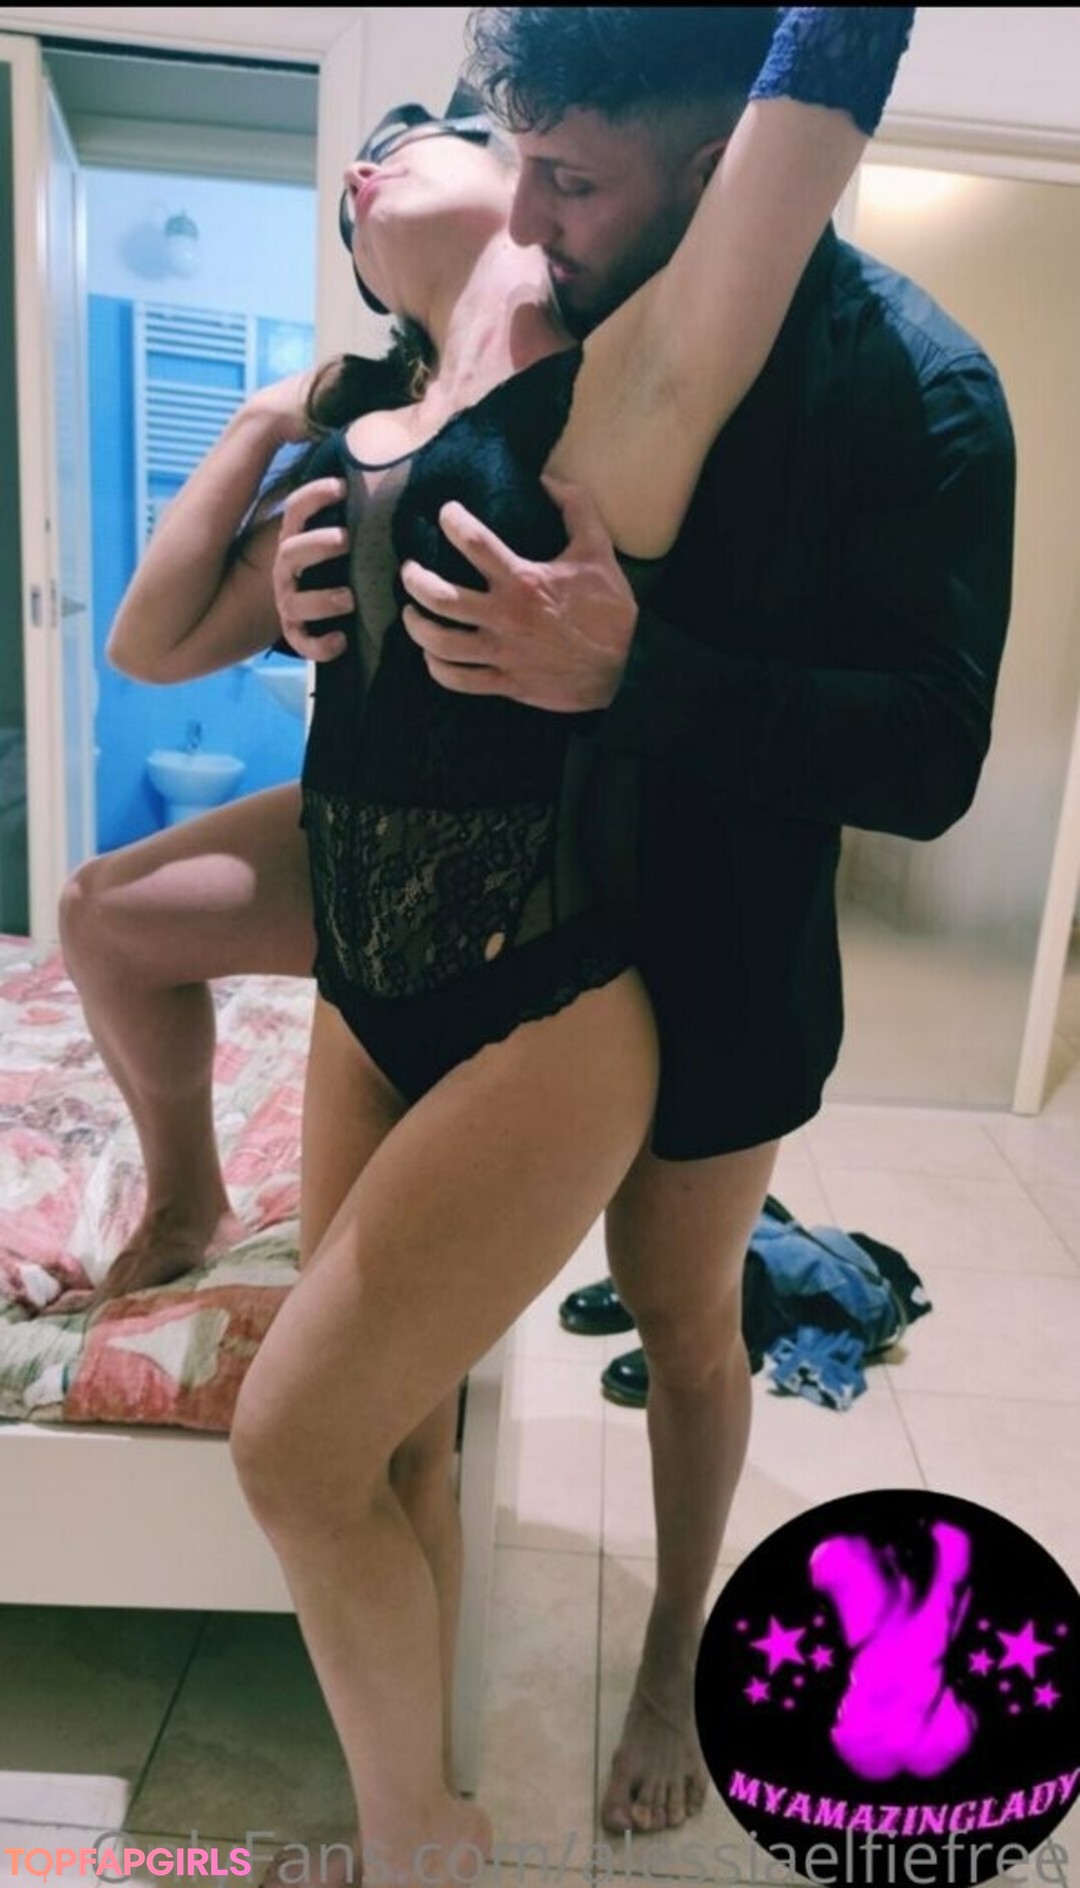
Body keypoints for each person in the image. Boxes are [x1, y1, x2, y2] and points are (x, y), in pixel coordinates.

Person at [50, 7, 1007, 1860]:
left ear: (708, 175)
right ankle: (425, 1805)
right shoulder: (439, 355)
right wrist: (318, 539)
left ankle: (668, 1665)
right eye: (516, 160)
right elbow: (175, 635)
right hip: (426, 933)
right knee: (389, 1420)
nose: (531, 211)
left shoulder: (900, 381)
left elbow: (930, 757)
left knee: (685, 1318)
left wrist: (642, 673)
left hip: (705, 935)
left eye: (565, 177)